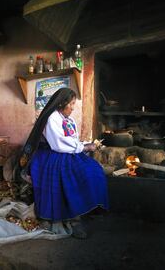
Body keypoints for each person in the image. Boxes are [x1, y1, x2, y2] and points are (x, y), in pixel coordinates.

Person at [15, 87, 108, 239]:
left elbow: (71, 141)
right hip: (51, 154)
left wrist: (85, 144)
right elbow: (58, 144)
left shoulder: (69, 120)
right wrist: (84, 147)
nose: (72, 108)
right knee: (71, 173)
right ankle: (72, 217)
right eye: (71, 104)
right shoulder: (52, 117)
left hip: (66, 151)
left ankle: (79, 210)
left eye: (74, 105)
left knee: (94, 170)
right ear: (62, 103)